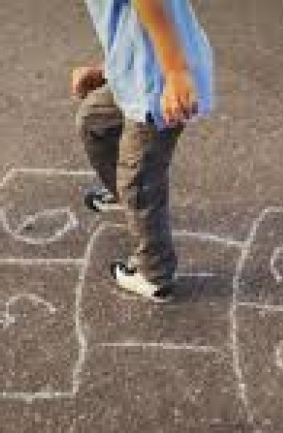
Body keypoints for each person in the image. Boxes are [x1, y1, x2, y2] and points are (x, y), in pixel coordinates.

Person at [72, 0, 215, 302]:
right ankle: (125, 199)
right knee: (94, 122)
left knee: (139, 180)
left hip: (159, 89)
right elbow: (130, 22)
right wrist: (108, 70)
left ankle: (155, 273)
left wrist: (175, 73)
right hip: (135, 74)